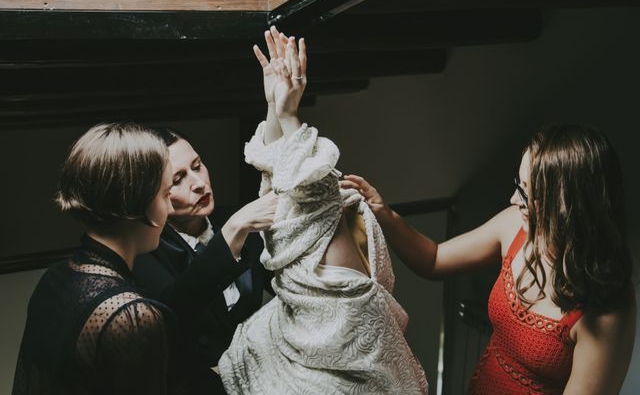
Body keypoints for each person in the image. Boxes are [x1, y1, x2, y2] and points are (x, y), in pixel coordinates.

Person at [341, 125, 636, 394]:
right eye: (518, 184)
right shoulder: (515, 227)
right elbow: (434, 259)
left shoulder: (608, 309)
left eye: (527, 192)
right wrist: (384, 214)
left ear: (565, 204)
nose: (513, 199)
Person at [218, 28, 428, 394]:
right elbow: (294, 184)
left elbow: (294, 185)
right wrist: (282, 111)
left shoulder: (319, 289)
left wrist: (278, 110)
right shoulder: (341, 287)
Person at [12, 122, 182, 395]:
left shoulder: (56, 276)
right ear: (139, 203)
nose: (171, 207)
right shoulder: (132, 318)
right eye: (165, 194)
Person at [133, 128, 277, 393]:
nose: (198, 183)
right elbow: (174, 312)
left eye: (197, 166)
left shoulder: (238, 220)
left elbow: (281, 283)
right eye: (177, 179)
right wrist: (233, 231)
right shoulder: (145, 252)